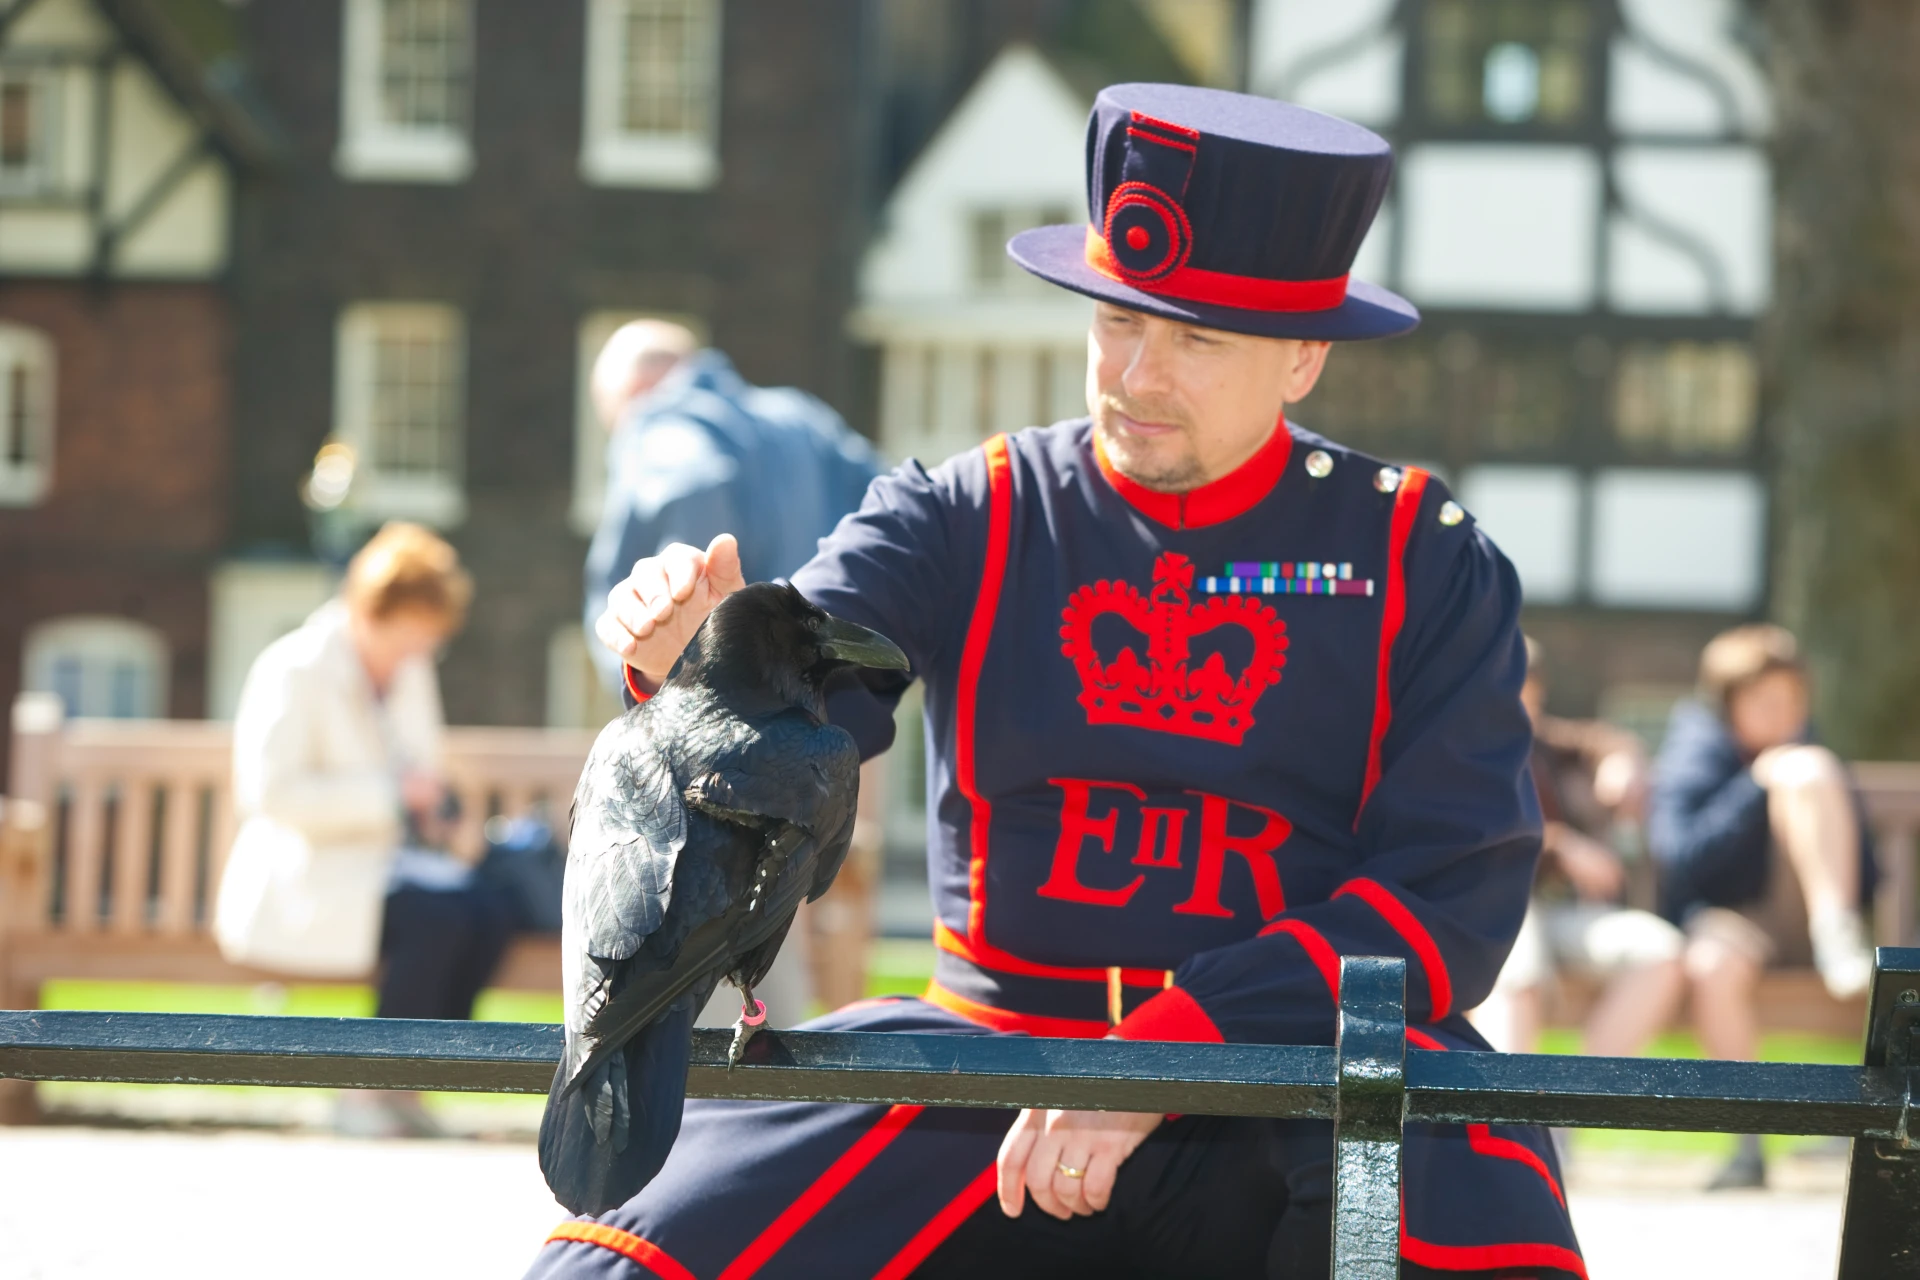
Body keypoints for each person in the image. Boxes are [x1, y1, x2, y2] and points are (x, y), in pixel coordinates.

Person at [533, 85, 1580, 1278]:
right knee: (626, 1254)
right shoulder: (964, 510)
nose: (1137, 373)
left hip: (1298, 1071)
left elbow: (1453, 891)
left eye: (1197, 338)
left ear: (1303, 356)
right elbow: (800, 700)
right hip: (989, 1061)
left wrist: (1174, 1053)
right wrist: (699, 670)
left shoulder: (1424, 556)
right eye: (1118, 321)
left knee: (1461, 1173)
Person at [585, 321, 886, 1017]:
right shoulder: (801, 420)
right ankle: (776, 1085)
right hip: (823, 728)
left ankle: (726, 1104)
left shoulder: (665, 420)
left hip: (719, 731)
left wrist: (686, 628)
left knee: (712, 922)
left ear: (631, 392)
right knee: (784, 901)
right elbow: (892, 503)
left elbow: (693, 488)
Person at [215, 522, 513, 1137]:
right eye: (412, 636)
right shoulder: (294, 666)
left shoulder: (409, 674)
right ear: (373, 612)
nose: (420, 652)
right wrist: (391, 796)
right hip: (308, 874)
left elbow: (422, 765)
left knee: (485, 911)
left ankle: (410, 1084)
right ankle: (365, 1089)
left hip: (384, 869)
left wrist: (436, 807)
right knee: (438, 914)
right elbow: (268, 793)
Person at [1648, 622, 1877, 1189]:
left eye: (1793, 700)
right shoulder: (1695, 750)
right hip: (1732, 921)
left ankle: (1835, 933)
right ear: (1729, 702)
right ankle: (1747, 1145)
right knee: (1711, 967)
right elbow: (1683, 861)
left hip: (1817, 925)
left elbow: (1867, 873)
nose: (1785, 713)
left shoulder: (1809, 756)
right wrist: (1756, 785)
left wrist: (1789, 778)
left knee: (1807, 768)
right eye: (1767, 700)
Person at [1472, 638, 1685, 1059]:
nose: (1520, 712)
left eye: (1530, 699)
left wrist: (1621, 762)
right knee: (1516, 977)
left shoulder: (1544, 741)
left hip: (1566, 912)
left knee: (1662, 954)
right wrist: (1561, 846)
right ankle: (1506, 1120)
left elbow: (1603, 739)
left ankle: (1568, 1106)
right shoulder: (1461, 751)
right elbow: (1483, 839)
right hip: (1498, 908)